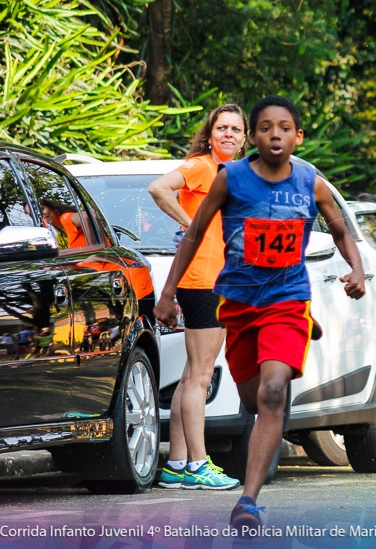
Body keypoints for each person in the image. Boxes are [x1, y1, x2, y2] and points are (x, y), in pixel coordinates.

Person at [154, 95, 366, 530]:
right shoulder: (230, 178)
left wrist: (356, 268)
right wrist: (169, 292)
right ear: (254, 135)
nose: (275, 135)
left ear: (297, 136)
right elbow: (194, 234)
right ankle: (298, 333)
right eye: (266, 127)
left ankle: (247, 501)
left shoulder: (311, 181)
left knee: (273, 393)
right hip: (239, 304)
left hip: (287, 298)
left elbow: (339, 227)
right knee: (252, 398)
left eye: (284, 128)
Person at [148, 103, 247, 491]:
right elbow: (158, 187)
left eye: (235, 130)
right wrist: (193, 225)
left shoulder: (228, 173)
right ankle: (197, 464)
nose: (228, 134)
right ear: (210, 135)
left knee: (191, 374)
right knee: (200, 377)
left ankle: (175, 464)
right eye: (221, 128)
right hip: (203, 282)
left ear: (243, 139)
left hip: (210, 280)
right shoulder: (203, 166)